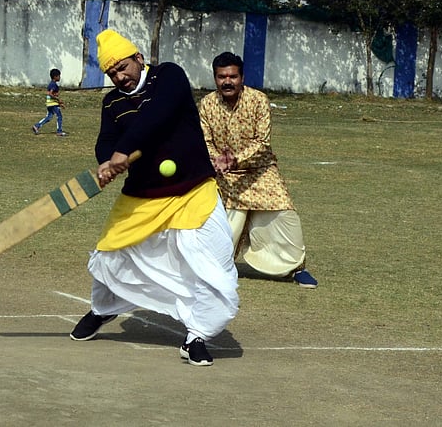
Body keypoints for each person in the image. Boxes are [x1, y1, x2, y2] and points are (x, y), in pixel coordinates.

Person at [69, 29, 239, 367]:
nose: (120, 76)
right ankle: (102, 311)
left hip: (193, 190)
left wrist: (123, 150)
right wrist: (107, 160)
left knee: (213, 265)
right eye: (112, 72)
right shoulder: (112, 102)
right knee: (108, 257)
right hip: (143, 196)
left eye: (123, 67)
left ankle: (197, 336)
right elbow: (107, 138)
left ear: (139, 59)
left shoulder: (169, 76)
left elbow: (155, 117)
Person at [198, 52, 317, 288]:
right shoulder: (206, 104)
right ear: (215, 78)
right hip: (226, 176)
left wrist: (235, 160)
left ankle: (295, 269)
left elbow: (262, 142)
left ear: (242, 77)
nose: (227, 81)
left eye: (232, 76)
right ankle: (213, 269)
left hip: (260, 171)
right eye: (222, 77)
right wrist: (217, 161)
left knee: (284, 215)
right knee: (225, 229)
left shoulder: (258, 100)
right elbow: (205, 141)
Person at [31, 68, 66, 136]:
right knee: (59, 116)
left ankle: (36, 126)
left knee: (49, 117)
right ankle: (59, 131)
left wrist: (59, 103)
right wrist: (58, 100)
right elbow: (50, 93)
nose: (60, 77)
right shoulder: (53, 85)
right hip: (53, 104)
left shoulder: (51, 84)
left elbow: (51, 94)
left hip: (50, 103)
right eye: (59, 76)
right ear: (55, 77)